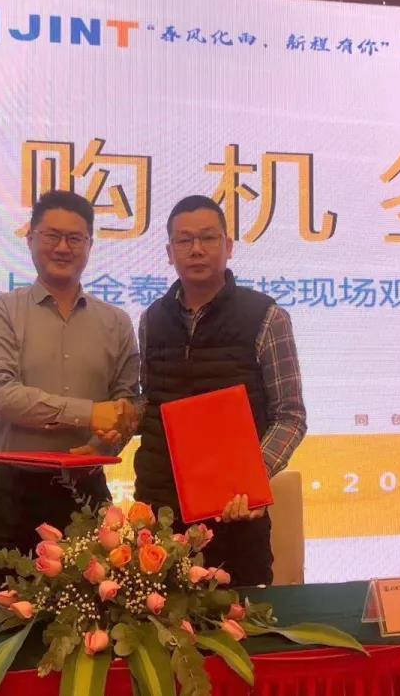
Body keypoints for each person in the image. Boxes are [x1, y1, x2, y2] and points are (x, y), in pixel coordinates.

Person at [0, 190, 139, 598]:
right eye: (52, 235)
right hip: (7, 496)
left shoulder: (116, 323)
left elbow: (126, 403)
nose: (63, 247)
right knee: (4, 619)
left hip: (85, 493)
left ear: (90, 245)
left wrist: (109, 437)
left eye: (75, 238)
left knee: (94, 621)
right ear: (30, 238)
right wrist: (88, 413)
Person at [134, 195, 307, 586]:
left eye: (208, 238)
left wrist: (251, 479)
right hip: (160, 515)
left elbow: (290, 415)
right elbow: (151, 401)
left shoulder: (266, 316)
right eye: (184, 240)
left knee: (240, 619)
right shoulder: (151, 319)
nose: (196, 249)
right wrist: (117, 420)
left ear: (229, 246)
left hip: (234, 516)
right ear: (169, 253)